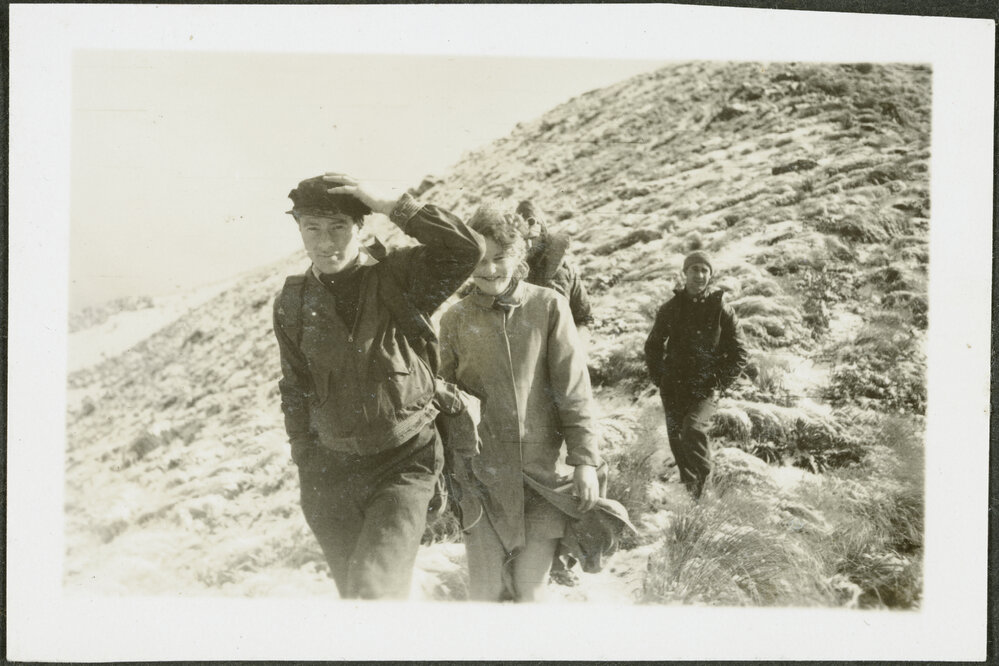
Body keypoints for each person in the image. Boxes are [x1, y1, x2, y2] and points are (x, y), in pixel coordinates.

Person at [272, 172, 484, 599]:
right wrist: (307, 463)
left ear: (359, 227)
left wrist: (390, 204)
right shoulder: (292, 301)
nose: (325, 240)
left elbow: (466, 249)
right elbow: (294, 388)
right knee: (355, 597)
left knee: (375, 589)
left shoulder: (397, 276)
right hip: (330, 473)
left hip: (405, 460)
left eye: (338, 226)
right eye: (312, 228)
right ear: (298, 228)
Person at [439, 203, 601, 602]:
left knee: (531, 594)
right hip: (481, 478)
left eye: (500, 258)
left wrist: (585, 461)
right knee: (486, 594)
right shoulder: (454, 320)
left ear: (519, 255)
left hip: (540, 477)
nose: (489, 270)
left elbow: (574, 389)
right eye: (478, 260)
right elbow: (444, 400)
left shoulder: (548, 306)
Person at [643, 250, 748, 500]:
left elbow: (740, 351)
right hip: (674, 386)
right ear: (685, 273)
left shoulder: (720, 308)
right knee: (677, 440)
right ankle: (692, 493)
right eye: (694, 270)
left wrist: (720, 383)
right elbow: (653, 346)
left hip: (705, 387)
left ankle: (705, 487)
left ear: (710, 275)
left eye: (704, 270)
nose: (699, 275)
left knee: (692, 430)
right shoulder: (670, 308)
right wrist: (660, 378)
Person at [515, 200, 594, 341]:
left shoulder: (565, 270)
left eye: (533, 237)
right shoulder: (505, 273)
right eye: (523, 238)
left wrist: (576, 351)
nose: (528, 244)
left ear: (543, 233)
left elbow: (585, 319)